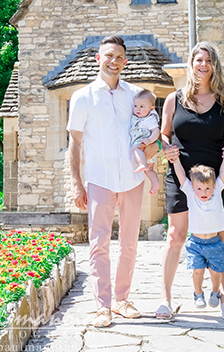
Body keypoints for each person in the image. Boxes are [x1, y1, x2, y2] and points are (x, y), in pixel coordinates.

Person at [67, 35, 157, 328]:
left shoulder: (135, 95)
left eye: (119, 57)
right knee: (99, 243)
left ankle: (121, 300)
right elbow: (75, 144)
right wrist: (77, 183)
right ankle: (102, 306)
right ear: (98, 58)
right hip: (99, 180)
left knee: (129, 242)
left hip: (132, 179)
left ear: (125, 61)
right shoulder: (83, 97)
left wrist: (151, 154)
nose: (114, 61)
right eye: (109, 56)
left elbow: (149, 131)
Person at [155, 42, 224, 320]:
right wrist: (166, 147)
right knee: (176, 236)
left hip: (214, 179)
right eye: (198, 60)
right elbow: (164, 134)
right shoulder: (174, 99)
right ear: (190, 64)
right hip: (181, 175)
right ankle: (165, 300)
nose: (203, 65)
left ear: (214, 65)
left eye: (208, 60)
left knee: (220, 237)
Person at [172, 150, 224, 311]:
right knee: (197, 271)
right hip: (195, 243)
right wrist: (176, 160)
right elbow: (181, 176)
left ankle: (215, 292)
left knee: (215, 272)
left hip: (215, 242)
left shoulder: (217, 190)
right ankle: (198, 294)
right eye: (199, 189)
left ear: (213, 186)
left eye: (207, 188)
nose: (203, 193)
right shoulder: (190, 192)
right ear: (193, 187)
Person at [130, 89, 161, 195]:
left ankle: (142, 163)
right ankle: (155, 182)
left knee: (135, 149)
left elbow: (156, 131)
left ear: (152, 108)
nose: (138, 109)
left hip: (144, 145)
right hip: (147, 150)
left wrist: (150, 140)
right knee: (150, 170)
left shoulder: (149, 119)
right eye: (135, 106)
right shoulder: (138, 117)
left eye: (142, 107)